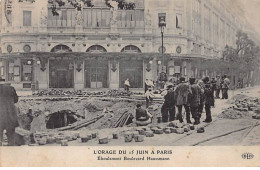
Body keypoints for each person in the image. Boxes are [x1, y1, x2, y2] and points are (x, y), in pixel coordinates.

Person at [0, 78, 19, 146]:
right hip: (10, 113)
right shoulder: (11, 88)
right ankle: (11, 148)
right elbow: (16, 100)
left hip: (0, 114)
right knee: (11, 133)